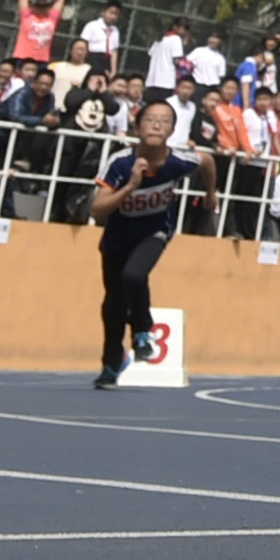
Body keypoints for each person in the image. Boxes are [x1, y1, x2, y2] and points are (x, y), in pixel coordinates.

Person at [91, 97, 210, 387]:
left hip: (155, 231)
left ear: (172, 130)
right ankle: (112, 362)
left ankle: (143, 332)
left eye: (165, 120)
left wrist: (211, 194)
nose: (157, 124)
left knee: (135, 275)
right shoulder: (120, 163)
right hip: (118, 237)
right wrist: (131, 186)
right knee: (114, 305)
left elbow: (207, 161)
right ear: (137, 126)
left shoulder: (180, 161)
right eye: (150, 119)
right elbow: (97, 209)